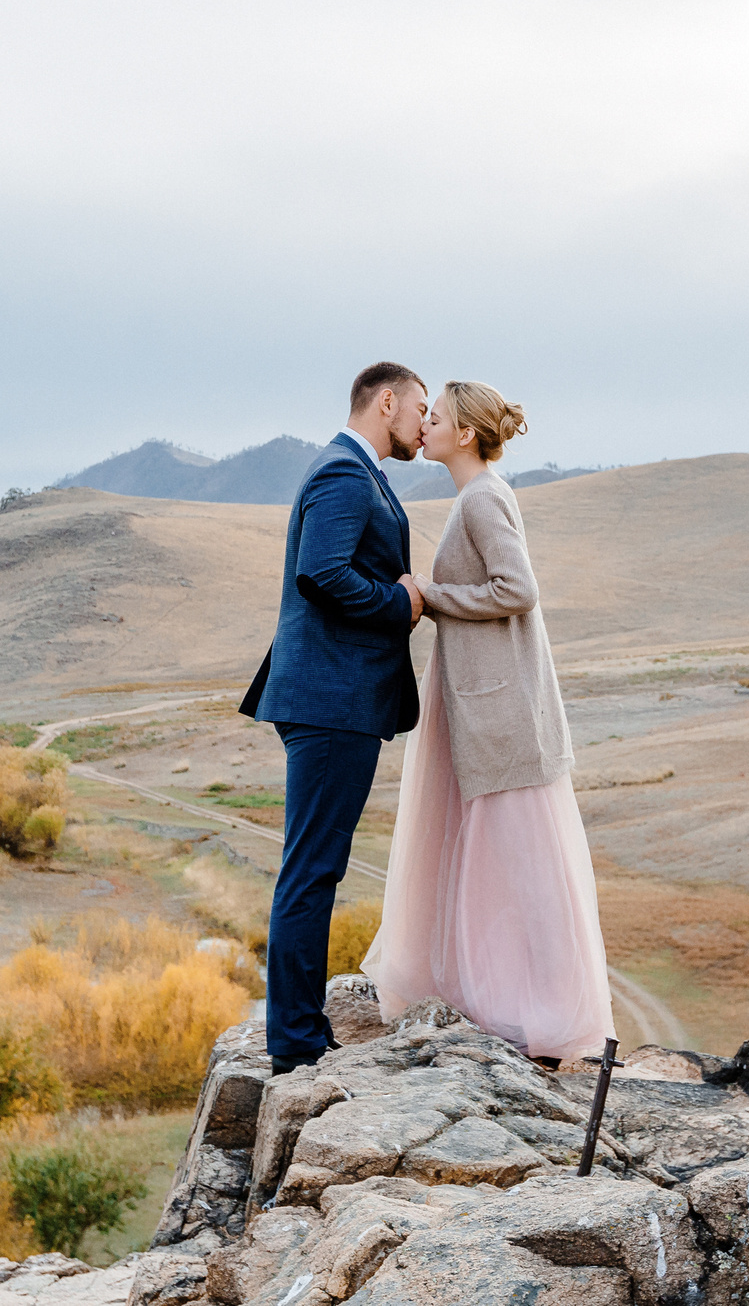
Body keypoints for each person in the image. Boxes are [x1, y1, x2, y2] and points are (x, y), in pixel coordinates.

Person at [364, 380, 613, 1066]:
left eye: (435, 417)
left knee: (519, 859)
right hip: (480, 699)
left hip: (500, 708)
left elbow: (518, 587)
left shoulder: (482, 497)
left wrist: (429, 595)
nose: (425, 426)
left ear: (466, 433)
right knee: (491, 860)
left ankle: (542, 1012)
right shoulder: (473, 496)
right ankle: (497, 996)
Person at [241, 360, 429, 1073]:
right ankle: (294, 1039)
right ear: (386, 402)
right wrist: (399, 604)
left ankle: (301, 1024)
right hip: (330, 698)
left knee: (317, 863)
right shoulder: (344, 474)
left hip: (335, 698)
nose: (422, 421)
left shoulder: (358, 472)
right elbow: (321, 571)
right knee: (312, 867)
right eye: (417, 407)